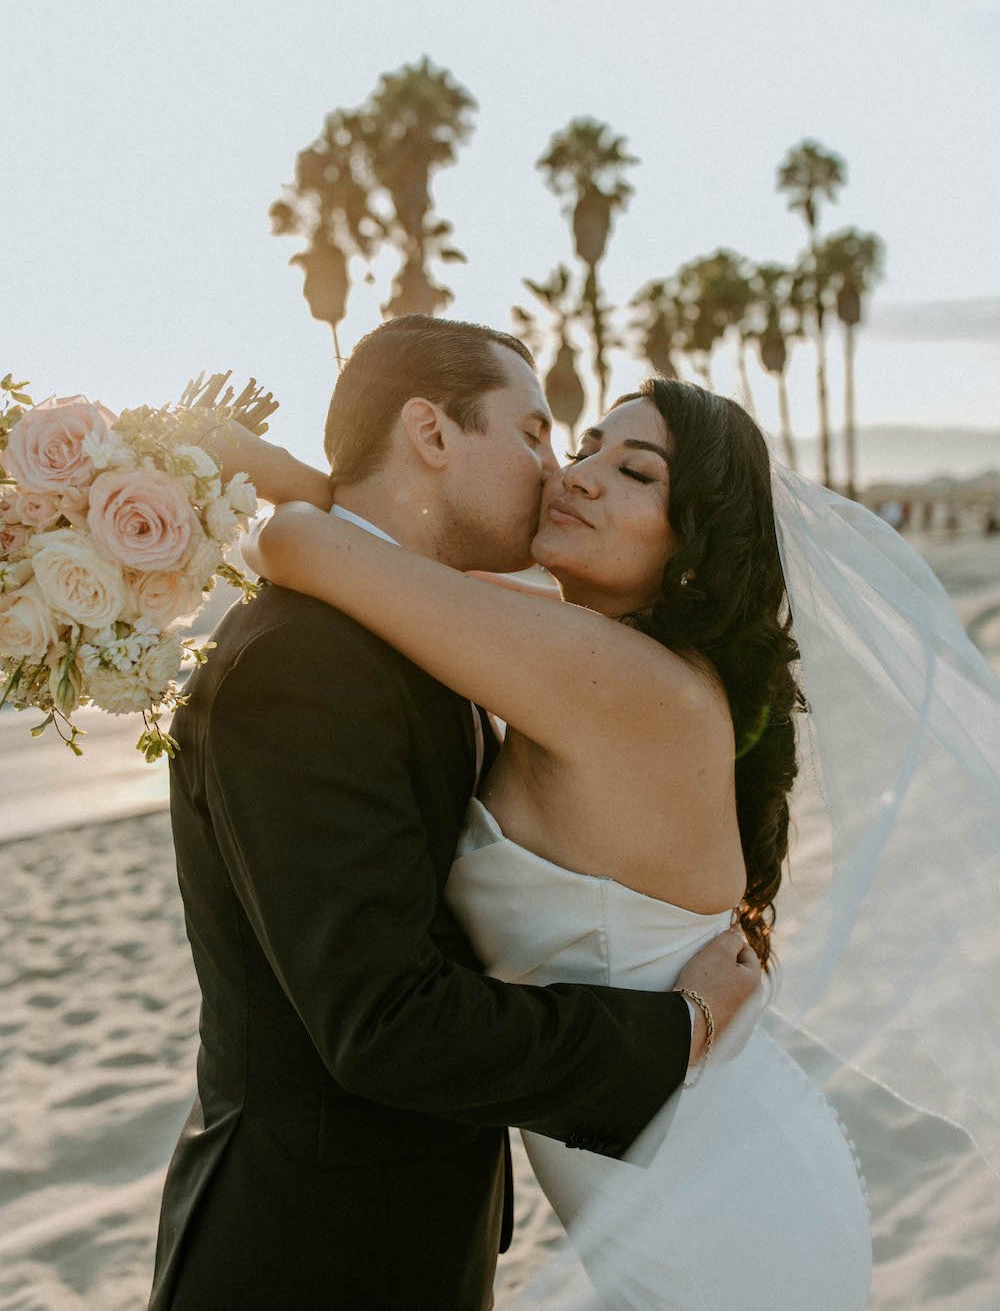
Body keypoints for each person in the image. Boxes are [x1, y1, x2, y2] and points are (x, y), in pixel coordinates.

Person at [237, 348, 876, 1308]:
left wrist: (220, 460)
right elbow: (380, 548)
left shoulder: (620, 682)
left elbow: (303, 545)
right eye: (584, 447)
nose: (578, 474)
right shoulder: (601, 651)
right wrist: (285, 471)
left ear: (693, 545)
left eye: (637, 473)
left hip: (718, 1211)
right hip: (688, 1166)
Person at [148, 316, 761, 1311]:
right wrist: (678, 1031)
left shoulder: (471, 637)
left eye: (622, 466)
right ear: (432, 436)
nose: (559, 474)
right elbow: (382, 1023)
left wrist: (291, 483)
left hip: (430, 1233)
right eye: (538, 437)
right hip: (307, 1254)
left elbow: (342, 540)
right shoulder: (305, 668)